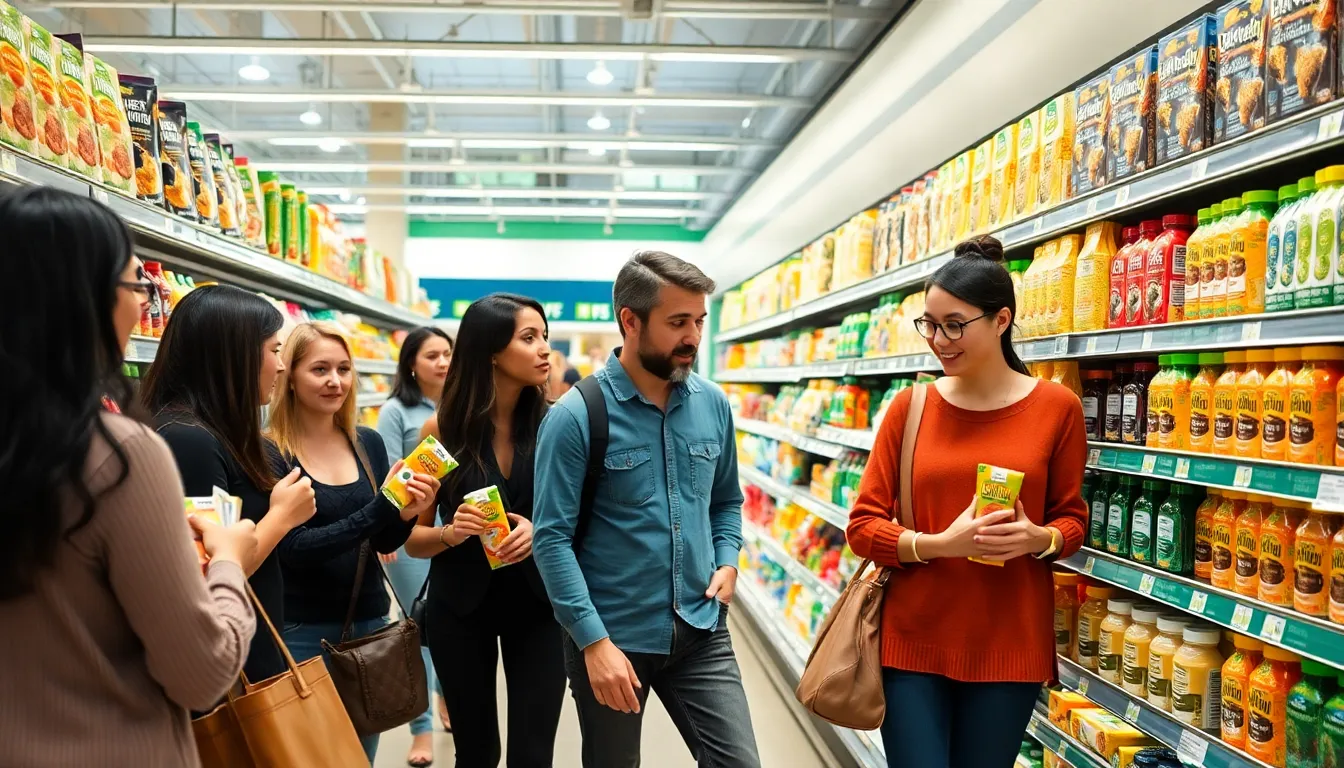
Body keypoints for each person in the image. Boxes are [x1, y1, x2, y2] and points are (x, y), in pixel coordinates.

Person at [0, 187, 258, 766]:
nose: (143, 304)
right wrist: (229, 563)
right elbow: (202, 673)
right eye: (134, 284)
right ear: (82, 299)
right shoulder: (117, 457)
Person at [846, 235, 1087, 768]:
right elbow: (862, 526)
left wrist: (1039, 538)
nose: (938, 339)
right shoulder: (910, 407)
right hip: (913, 641)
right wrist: (937, 544)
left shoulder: (1057, 408)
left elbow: (1072, 518)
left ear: (1001, 321)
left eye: (955, 324)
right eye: (929, 324)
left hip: (1009, 644)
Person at [533, 252, 761, 767]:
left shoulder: (713, 404)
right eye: (678, 322)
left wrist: (728, 558)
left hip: (701, 628)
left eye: (700, 320)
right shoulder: (575, 417)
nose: (694, 337)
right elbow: (551, 540)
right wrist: (592, 643)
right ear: (629, 321)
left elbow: (725, 501)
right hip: (613, 634)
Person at [404, 294, 567, 768]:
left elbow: (583, 524)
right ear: (491, 350)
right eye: (529, 338)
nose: (544, 351)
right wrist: (451, 533)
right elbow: (412, 541)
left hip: (539, 605)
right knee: (476, 752)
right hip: (460, 607)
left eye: (545, 338)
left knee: (533, 754)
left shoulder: (558, 424)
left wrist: (541, 532)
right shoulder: (441, 431)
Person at [267, 322, 441, 764]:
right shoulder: (270, 451)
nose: (335, 381)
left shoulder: (367, 443)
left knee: (359, 758)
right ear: (290, 375)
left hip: (367, 627)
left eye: (344, 369)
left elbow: (383, 538)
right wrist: (381, 508)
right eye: (319, 369)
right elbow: (293, 549)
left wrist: (405, 512)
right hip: (300, 634)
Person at [142, 285, 318, 683]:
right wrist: (281, 517)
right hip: (227, 678)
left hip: (247, 657)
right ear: (233, 356)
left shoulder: (210, 432)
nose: (281, 366)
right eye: (274, 350)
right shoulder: (188, 441)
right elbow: (206, 576)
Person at [375, 326, 454, 765]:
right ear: (411, 364)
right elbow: (386, 476)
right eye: (432, 356)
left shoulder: (464, 408)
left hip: (460, 533)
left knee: (450, 626)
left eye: (447, 353)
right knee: (419, 633)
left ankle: (445, 695)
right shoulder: (394, 412)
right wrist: (384, 529)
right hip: (409, 540)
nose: (443, 362)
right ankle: (421, 730)